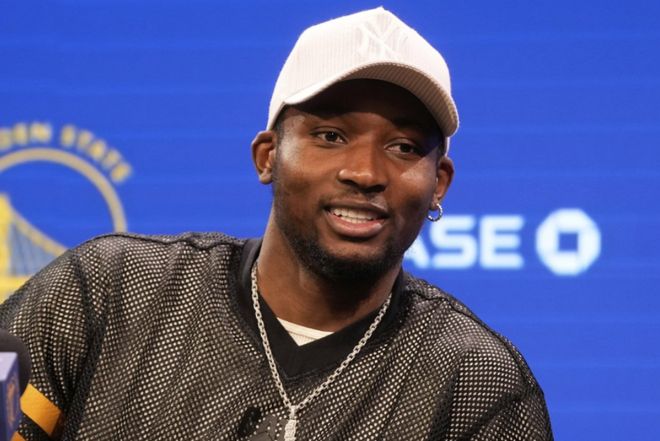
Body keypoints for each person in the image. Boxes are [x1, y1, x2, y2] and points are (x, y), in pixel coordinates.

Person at [0, 7, 553, 441]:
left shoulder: (475, 383)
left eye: (404, 147)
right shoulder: (108, 291)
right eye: (330, 136)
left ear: (439, 184)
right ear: (268, 157)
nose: (364, 172)